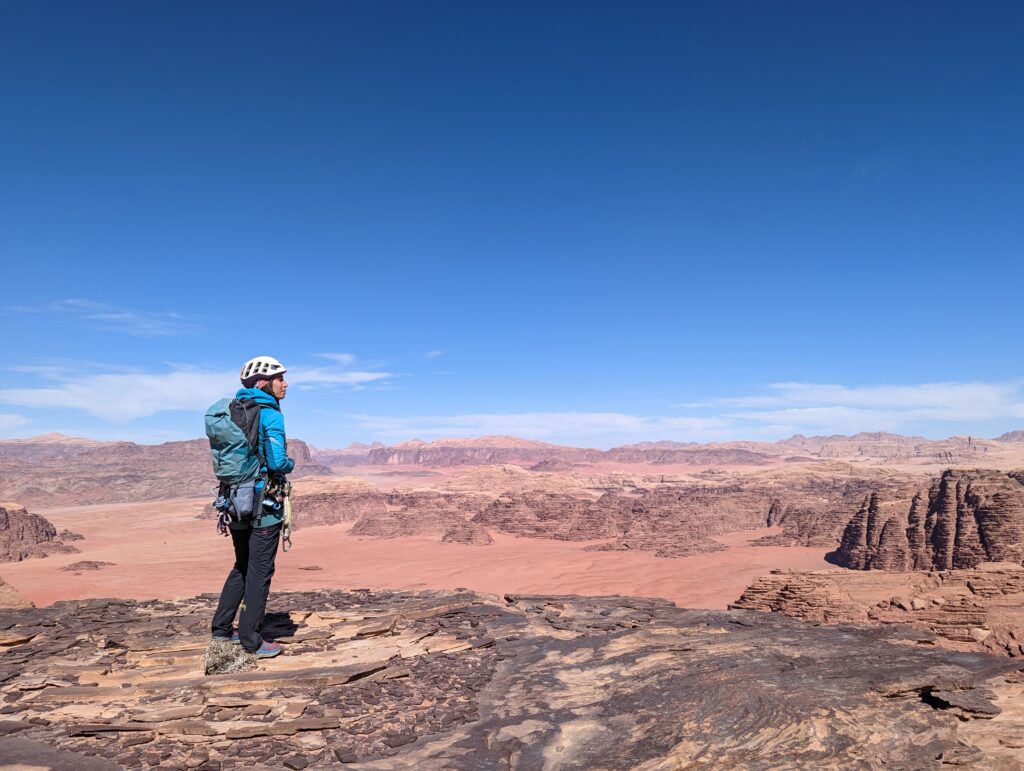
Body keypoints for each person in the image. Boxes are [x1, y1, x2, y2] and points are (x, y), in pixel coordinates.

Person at [211, 355, 295, 658]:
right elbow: (276, 461)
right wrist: (291, 464)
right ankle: (251, 640)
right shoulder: (270, 414)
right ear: (264, 383)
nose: (285, 384)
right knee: (260, 570)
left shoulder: (235, 410)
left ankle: (221, 631)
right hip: (263, 508)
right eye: (280, 378)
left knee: (241, 566)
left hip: (234, 503)